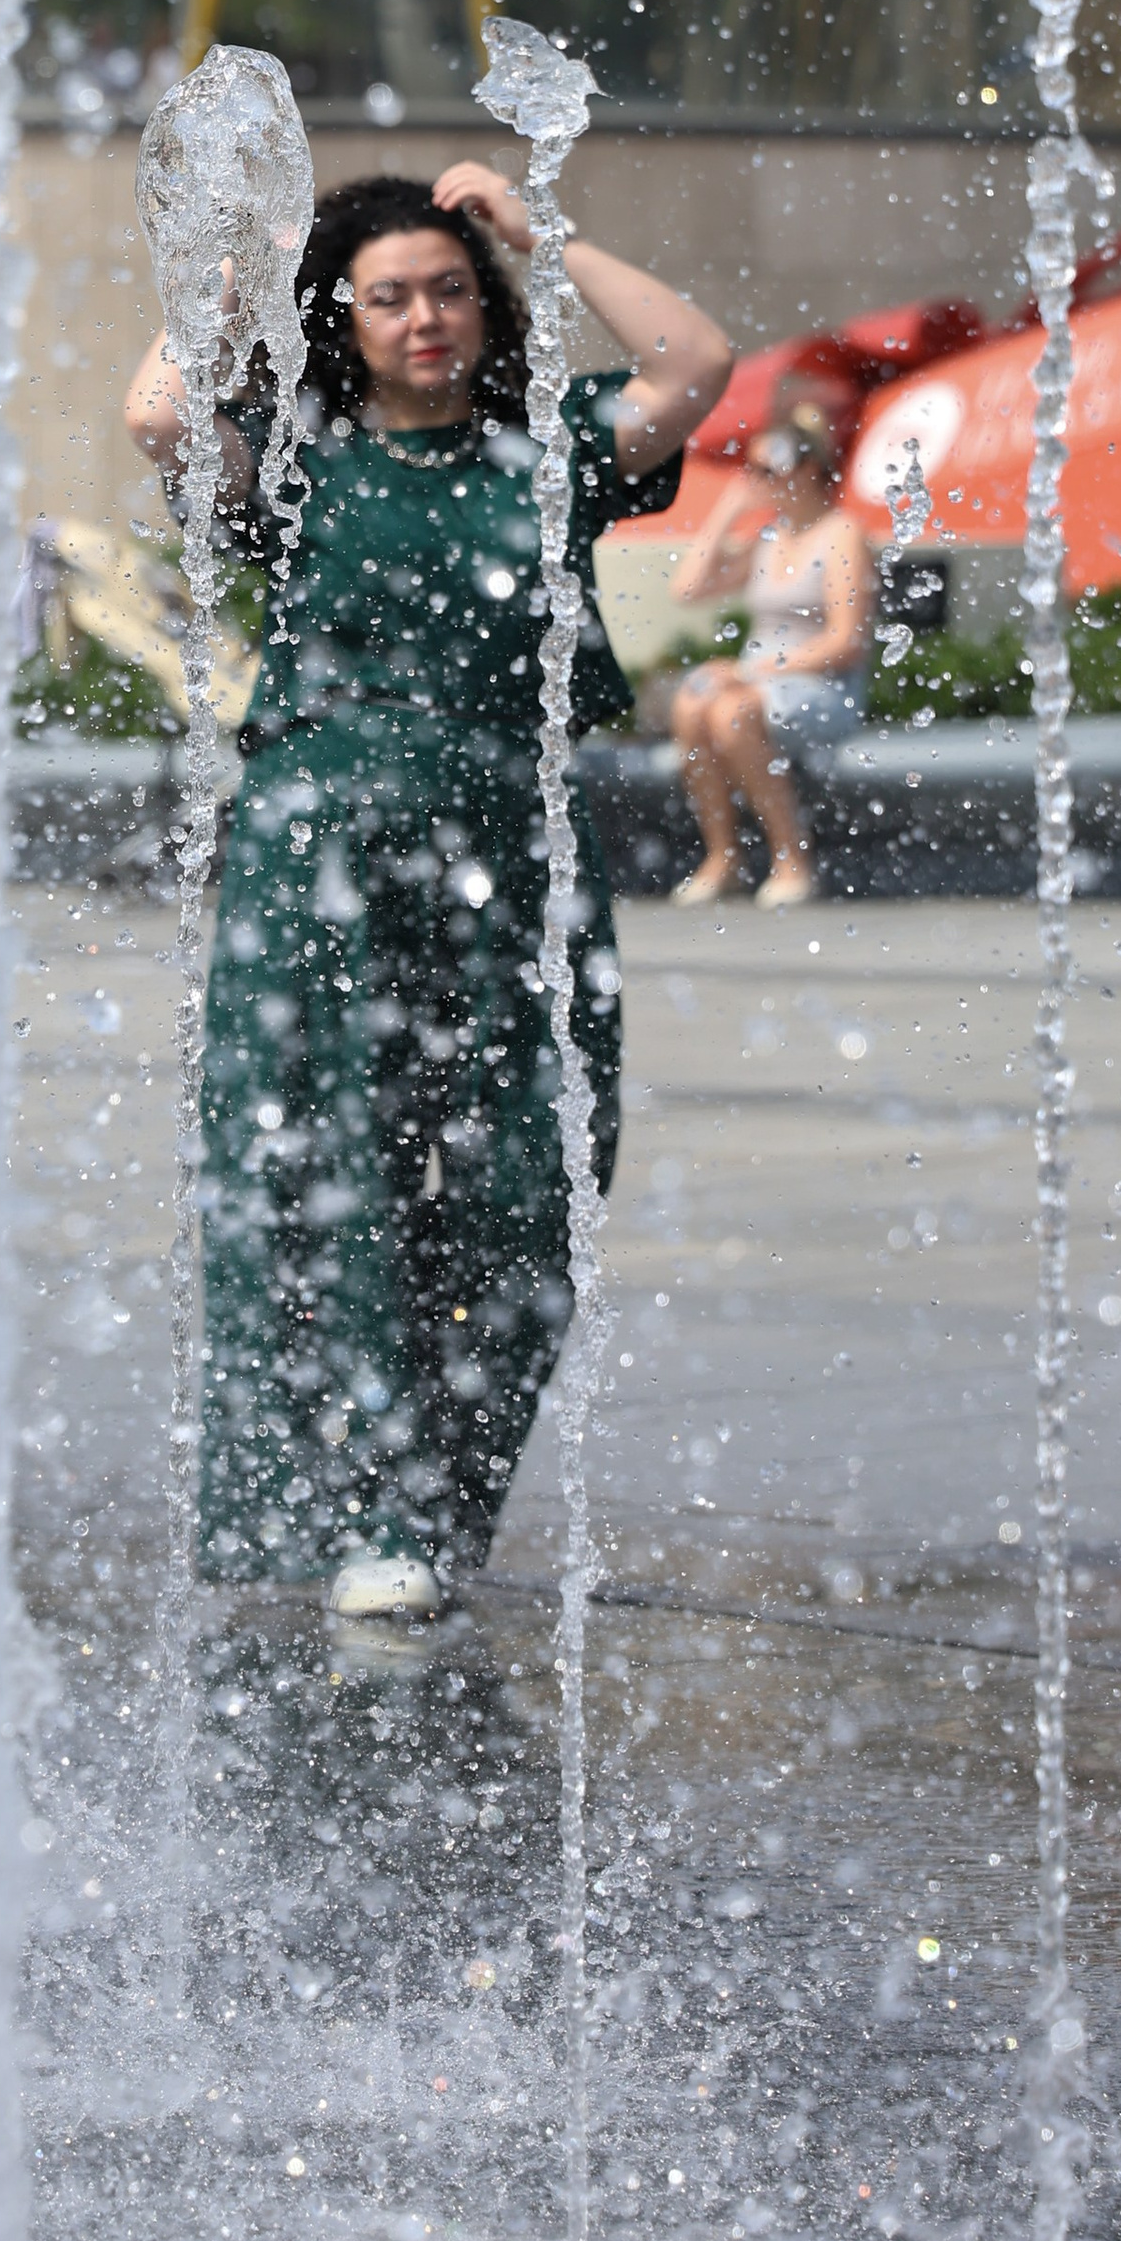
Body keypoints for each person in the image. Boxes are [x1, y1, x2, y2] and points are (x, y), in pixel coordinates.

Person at [125, 162, 731, 1626]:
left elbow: (697, 363)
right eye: (387, 296)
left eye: (450, 288)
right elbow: (155, 414)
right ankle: (370, 1507)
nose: (423, 319)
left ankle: (441, 1499)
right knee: (346, 1185)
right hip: (317, 870)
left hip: (521, 861)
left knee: (538, 1188)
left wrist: (547, 229)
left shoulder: (554, 453)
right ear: (343, 319)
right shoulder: (298, 471)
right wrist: (238, 279)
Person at [666, 400, 874, 911]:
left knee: (732, 709)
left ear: (806, 470)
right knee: (692, 701)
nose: (756, 480)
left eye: (766, 469)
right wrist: (726, 513)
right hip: (759, 683)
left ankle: (791, 859)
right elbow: (687, 589)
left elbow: (846, 642)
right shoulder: (768, 537)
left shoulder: (841, 535)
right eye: (751, 470)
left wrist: (752, 671)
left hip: (820, 687)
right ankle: (724, 857)